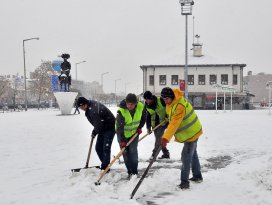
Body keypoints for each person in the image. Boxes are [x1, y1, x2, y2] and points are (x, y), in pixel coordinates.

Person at [160, 87, 203, 190]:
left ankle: (184, 182)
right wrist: (167, 118)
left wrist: (165, 138)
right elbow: (172, 115)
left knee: (186, 156)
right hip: (193, 131)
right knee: (193, 155)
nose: (165, 101)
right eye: (163, 99)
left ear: (171, 97)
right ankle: (197, 176)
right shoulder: (172, 102)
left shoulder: (179, 106)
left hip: (191, 133)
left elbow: (174, 124)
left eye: (166, 99)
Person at [77, 96, 115, 171]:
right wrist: (95, 131)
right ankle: (105, 165)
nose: (81, 109)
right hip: (102, 128)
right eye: (80, 107)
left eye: (81, 107)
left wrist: (94, 132)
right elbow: (98, 124)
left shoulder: (93, 110)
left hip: (110, 127)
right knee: (98, 148)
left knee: (106, 148)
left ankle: (105, 168)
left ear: (84, 104)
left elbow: (98, 125)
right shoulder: (90, 106)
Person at [116, 93, 146, 178]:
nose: (129, 106)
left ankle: (134, 172)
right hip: (122, 134)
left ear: (136, 103)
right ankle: (129, 171)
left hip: (134, 134)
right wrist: (122, 140)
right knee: (125, 153)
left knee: (133, 152)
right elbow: (119, 128)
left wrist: (140, 127)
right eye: (128, 103)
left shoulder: (141, 107)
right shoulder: (121, 111)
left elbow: (144, 117)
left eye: (132, 104)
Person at [143, 91, 170, 159]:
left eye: (148, 99)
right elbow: (148, 116)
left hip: (163, 123)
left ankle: (154, 155)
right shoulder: (147, 105)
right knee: (159, 140)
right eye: (145, 99)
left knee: (158, 139)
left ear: (151, 98)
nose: (147, 101)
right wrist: (148, 127)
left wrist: (167, 117)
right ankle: (166, 153)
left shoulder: (160, 100)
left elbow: (169, 108)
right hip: (154, 125)